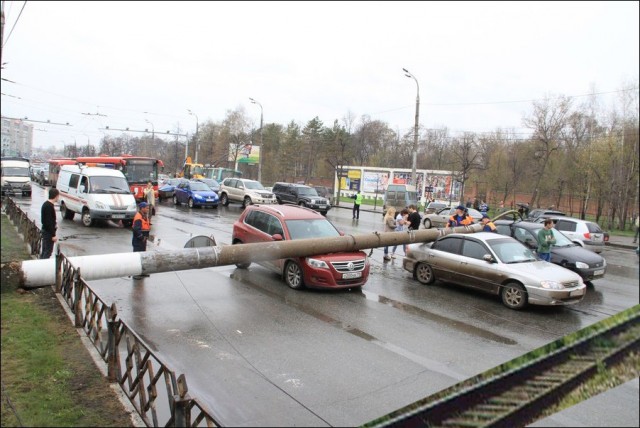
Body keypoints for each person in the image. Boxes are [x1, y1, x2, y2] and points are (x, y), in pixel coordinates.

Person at [132, 202, 151, 279]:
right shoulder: (138, 217)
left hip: (143, 240)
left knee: (142, 256)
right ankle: (136, 273)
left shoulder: (144, 216)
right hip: (138, 240)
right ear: (142, 208)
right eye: (146, 208)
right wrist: (141, 237)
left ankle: (142, 272)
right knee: (137, 257)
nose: (147, 209)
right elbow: (136, 230)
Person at [40, 188, 60, 259]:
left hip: (46, 231)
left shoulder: (46, 204)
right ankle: (43, 267)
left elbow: (44, 220)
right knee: (47, 252)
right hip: (48, 233)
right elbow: (48, 222)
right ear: (56, 196)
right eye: (58, 196)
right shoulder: (49, 206)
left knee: (45, 251)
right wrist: (53, 235)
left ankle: (40, 265)